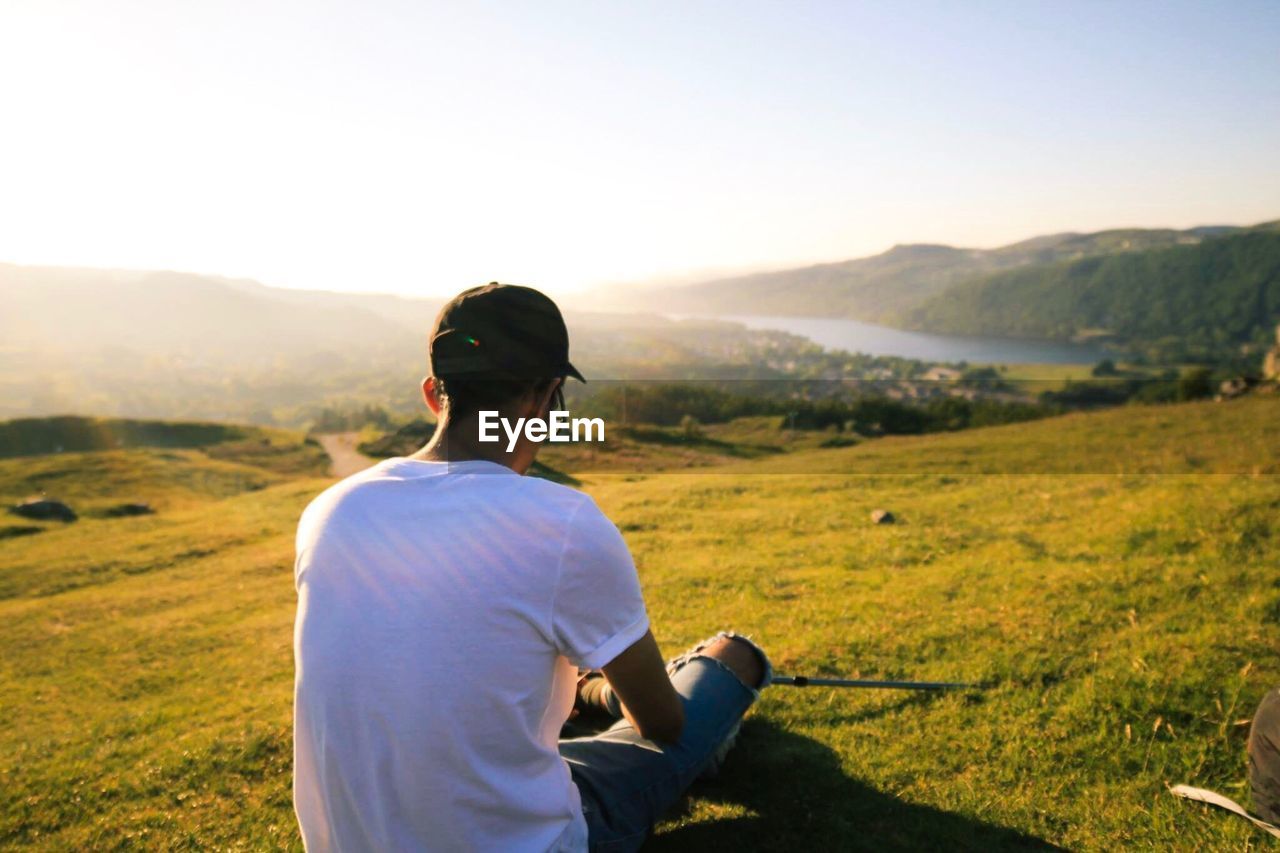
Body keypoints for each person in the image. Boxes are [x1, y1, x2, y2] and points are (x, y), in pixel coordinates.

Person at [293, 282, 771, 852]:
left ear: (432, 394)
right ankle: (617, 691)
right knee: (731, 657)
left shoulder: (331, 509)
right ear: (542, 398)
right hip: (532, 839)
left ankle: (595, 694)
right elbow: (663, 726)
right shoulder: (562, 521)